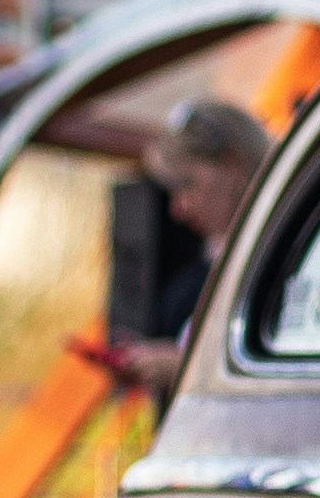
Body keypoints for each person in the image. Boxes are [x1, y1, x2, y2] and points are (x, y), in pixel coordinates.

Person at [104, 100, 270, 397]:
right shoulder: (223, 264)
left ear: (234, 165)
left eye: (186, 184)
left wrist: (183, 367)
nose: (177, 210)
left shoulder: (283, 257)